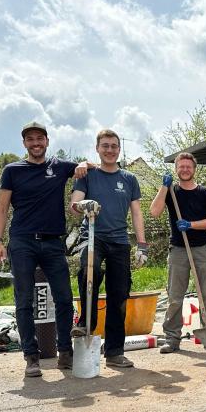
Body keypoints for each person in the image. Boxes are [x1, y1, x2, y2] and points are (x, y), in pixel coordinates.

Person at [0, 121, 86, 377]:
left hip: (53, 242)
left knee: (65, 299)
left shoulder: (59, 167)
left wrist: (83, 165)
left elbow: (89, 167)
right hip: (22, 241)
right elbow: (1, 208)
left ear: (47, 141)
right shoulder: (12, 171)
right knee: (24, 301)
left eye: (40, 138)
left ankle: (65, 352)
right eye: (30, 139)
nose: (35, 143)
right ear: (24, 143)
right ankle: (31, 358)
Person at [69, 129, 149, 368]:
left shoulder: (129, 179)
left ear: (119, 149)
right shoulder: (87, 174)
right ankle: (86, 323)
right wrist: (83, 205)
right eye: (105, 146)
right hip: (93, 237)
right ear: (97, 149)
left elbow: (136, 213)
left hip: (120, 241)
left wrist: (142, 245)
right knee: (89, 271)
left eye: (114, 146)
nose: (110, 150)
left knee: (119, 295)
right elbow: (74, 204)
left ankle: (114, 351)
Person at [149, 152, 206, 353]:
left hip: (201, 249)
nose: (185, 169)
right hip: (178, 250)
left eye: (188, 166)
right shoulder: (171, 191)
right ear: (176, 169)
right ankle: (172, 338)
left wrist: (190, 224)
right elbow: (154, 212)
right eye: (181, 166)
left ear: (194, 169)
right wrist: (164, 186)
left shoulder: (205, 193)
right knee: (175, 296)